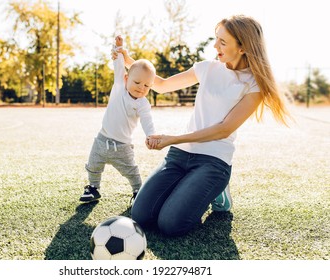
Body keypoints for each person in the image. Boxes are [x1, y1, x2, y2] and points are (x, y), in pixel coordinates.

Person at [115, 15, 291, 236]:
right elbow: (161, 85)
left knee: (170, 224)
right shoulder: (207, 68)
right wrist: (128, 60)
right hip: (180, 156)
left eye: (223, 42)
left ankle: (219, 192)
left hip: (213, 161)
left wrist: (173, 139)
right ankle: (191, 186)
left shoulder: (254, 84)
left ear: (243, 47)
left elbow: (224, 129)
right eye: (216, 39)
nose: (215, 46)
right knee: (141, 215)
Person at [80, 35, 158, 203]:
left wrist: (151, 134)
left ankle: (138, 191)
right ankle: (93, 188)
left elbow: (147, 120)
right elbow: (118, 64)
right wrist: (119, 47)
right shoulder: (119, 87)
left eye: (147, 86)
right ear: (126, 78)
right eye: (137, 82)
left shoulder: (143, 104)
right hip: (102, 140)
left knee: (131, 171)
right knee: (93, 165)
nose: (141, 88)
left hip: (122, 146)